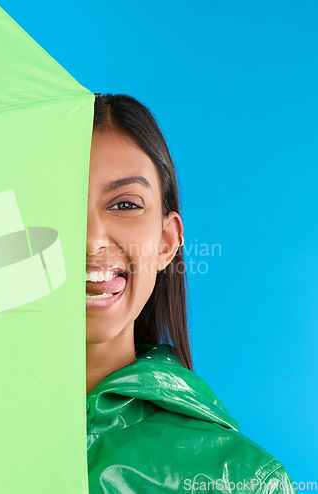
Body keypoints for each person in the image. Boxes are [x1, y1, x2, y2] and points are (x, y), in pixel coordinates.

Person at [85, 93, 295, 493]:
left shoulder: (244, 483)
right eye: (61, 201)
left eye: (125, 204)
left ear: (167, 243)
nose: (93, 238)